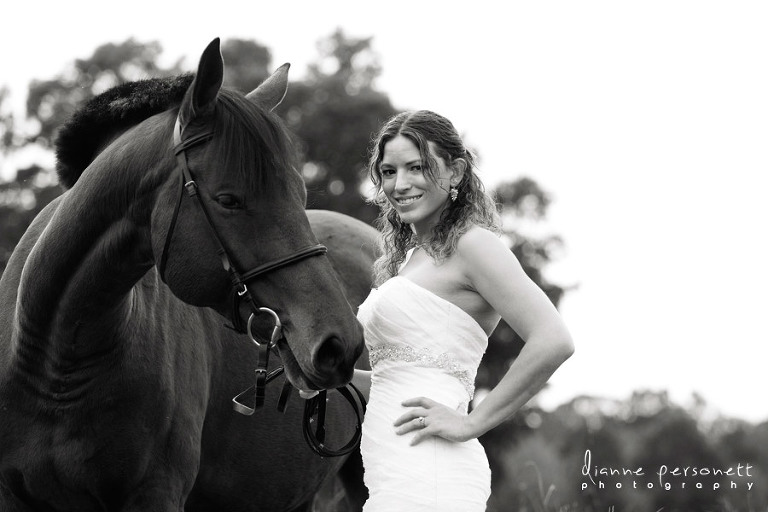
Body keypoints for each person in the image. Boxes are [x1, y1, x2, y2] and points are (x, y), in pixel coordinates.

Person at [349, 110, 575, 511]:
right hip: (391, 470)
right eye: (388, 172)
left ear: (455, 172)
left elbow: (554, 339)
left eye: (416, 167)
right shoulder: (408, 260)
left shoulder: (474, 246)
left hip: (432, 472)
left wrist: (471, 423)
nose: (399, 184)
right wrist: (331, 378)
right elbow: (396, 381)